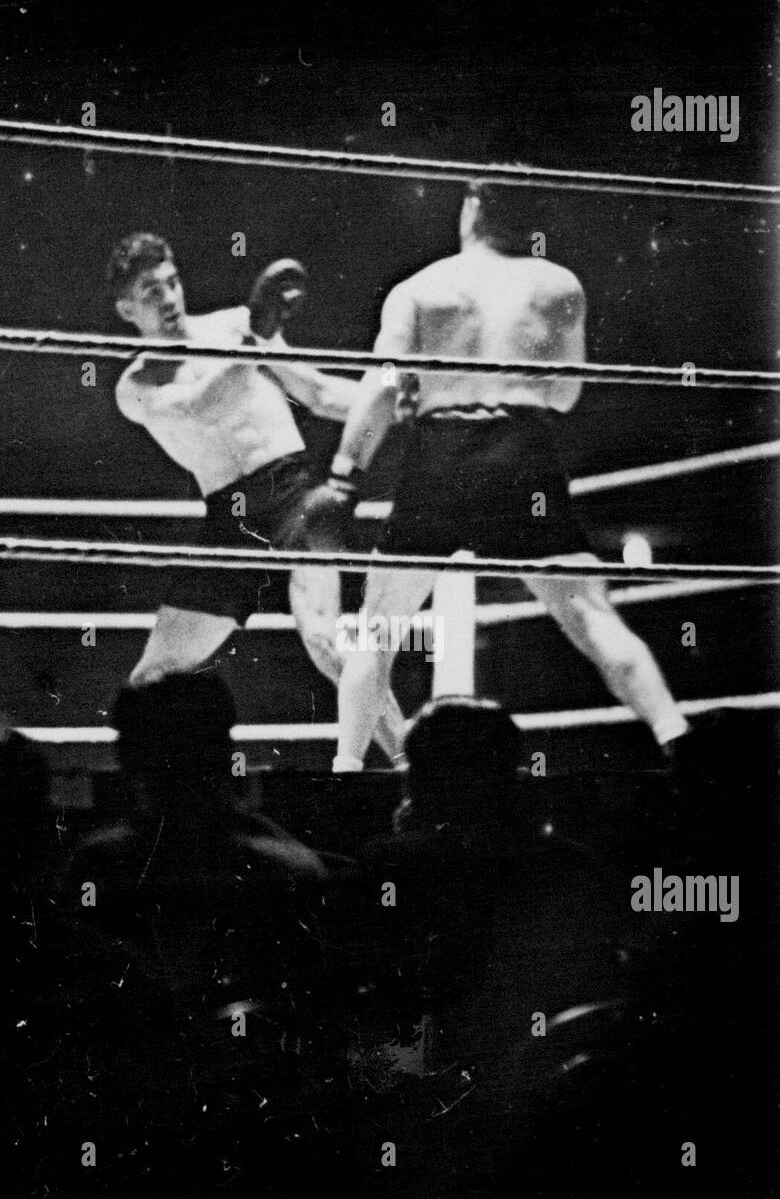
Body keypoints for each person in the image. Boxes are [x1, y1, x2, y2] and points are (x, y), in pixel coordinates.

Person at [303, 182, 690, 771]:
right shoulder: (558, 285)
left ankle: (347, 772)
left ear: (472, 209)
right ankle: (679, 743)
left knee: (379, 628)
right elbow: (564, 395)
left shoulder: (421, 288)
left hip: (441, 454)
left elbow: (380, 388)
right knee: (591, 617)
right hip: (522, 453)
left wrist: (343, 474)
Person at [109, 232, 404, 760]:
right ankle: (145, 808)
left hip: (293, 498)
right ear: (126, 309)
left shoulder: (233, 324)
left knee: (326, 641)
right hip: (230, 521)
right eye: (151, 292)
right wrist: (253, 337)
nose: (170, 298)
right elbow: (196, 406)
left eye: (173, 283)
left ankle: (413, 771)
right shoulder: (136, 385)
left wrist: (398, 401)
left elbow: (314, 391)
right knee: (151, 678)